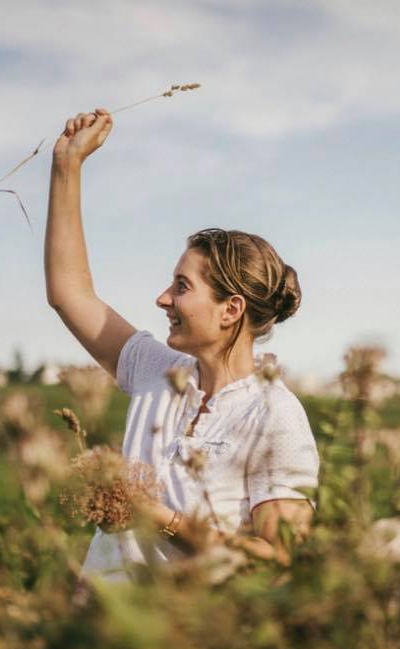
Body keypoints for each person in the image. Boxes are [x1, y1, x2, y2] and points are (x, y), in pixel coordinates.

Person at [45, 108, 320, 582]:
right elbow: (69, 293)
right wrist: (66, 169)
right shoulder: (156, 369)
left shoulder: (275, 415)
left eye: (181, 286)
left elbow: (275, 558)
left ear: (230, 309)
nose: (162, 298)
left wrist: (158, 520)